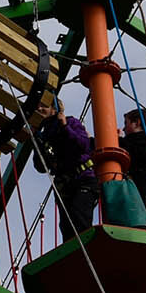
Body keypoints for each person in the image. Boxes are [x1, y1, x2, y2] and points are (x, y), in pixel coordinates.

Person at [30, 97, 95, 242]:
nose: (39, 109)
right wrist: (37, 141)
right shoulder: (43, 135)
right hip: (64, 185)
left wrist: (65, 127)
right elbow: (40, 166)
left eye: (43, 105)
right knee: (67, 228)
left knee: (79, 222)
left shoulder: (71, 122)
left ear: (54, 109)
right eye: (37, 107)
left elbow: (83, 145)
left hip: (82, 180)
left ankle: (83, 254)